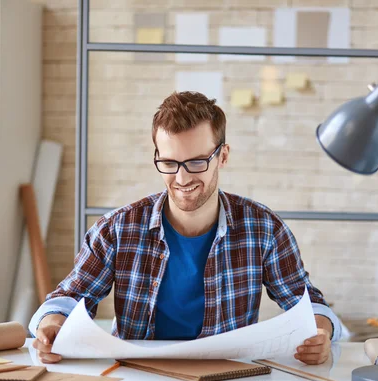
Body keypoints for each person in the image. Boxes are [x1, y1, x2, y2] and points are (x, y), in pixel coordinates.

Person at [30, 91, 342, 365]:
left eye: (196, 163)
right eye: (169, 163)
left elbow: (308, 304)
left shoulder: (263, 229)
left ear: (223, 156)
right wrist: (52, 323)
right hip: (139, 380)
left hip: (229, 380)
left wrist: (319, 332)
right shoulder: (116, 230)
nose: (181, 179)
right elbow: (68, 297)